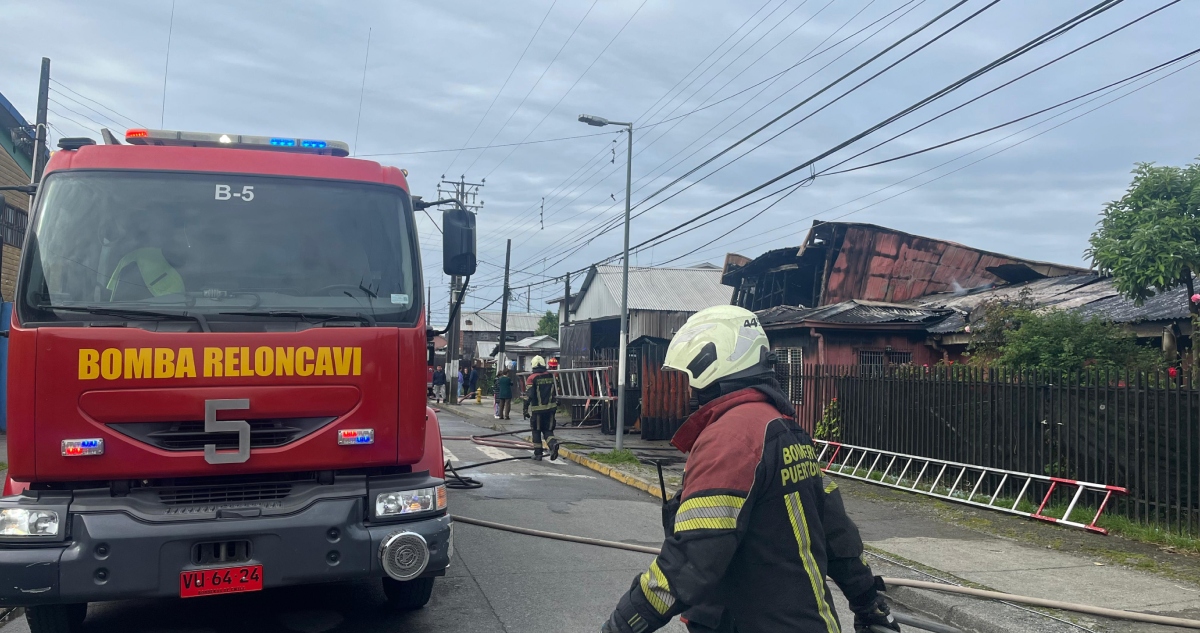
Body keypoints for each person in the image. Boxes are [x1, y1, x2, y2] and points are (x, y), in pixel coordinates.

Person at [600, 305, 899, 633]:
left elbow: (690, 560)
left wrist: (622, 624)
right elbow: (837, 531)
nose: (688, 389)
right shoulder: (784, 428)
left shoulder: (733, 438)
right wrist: (869, 602)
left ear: (713, 365)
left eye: (689, 377)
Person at [522, 355, 560, 461]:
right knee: (548, 430)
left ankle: (538, 454)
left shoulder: (531, 378)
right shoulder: (551, 376)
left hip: (537, 410)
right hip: (551, 409)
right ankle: (553, 444)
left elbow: (528, 396)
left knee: (536, 430)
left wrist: (525, 409)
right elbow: (557, 390)